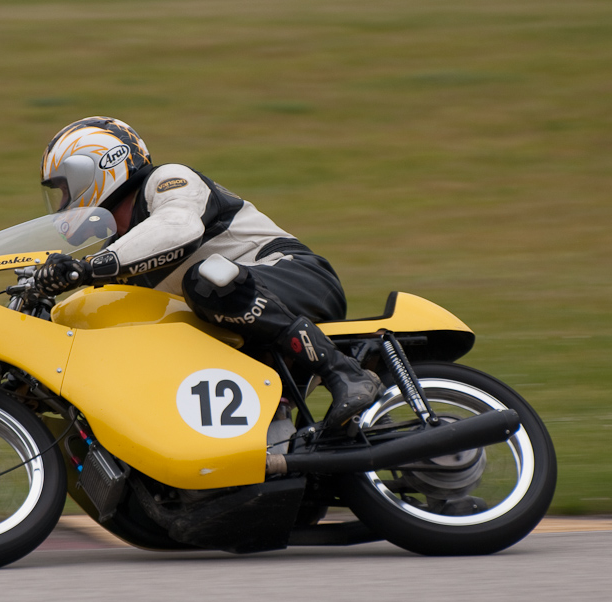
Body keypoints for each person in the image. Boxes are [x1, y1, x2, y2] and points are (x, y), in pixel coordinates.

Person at [35, 116, 380, 428]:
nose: (63, 202)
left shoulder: (168, 182)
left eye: (66, 188)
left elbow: (176, 230)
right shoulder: (117, 252)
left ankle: (344, 372)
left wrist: (85, 268)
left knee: (206, 281)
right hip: (243, 325)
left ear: (99, 167)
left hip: (299, 278)